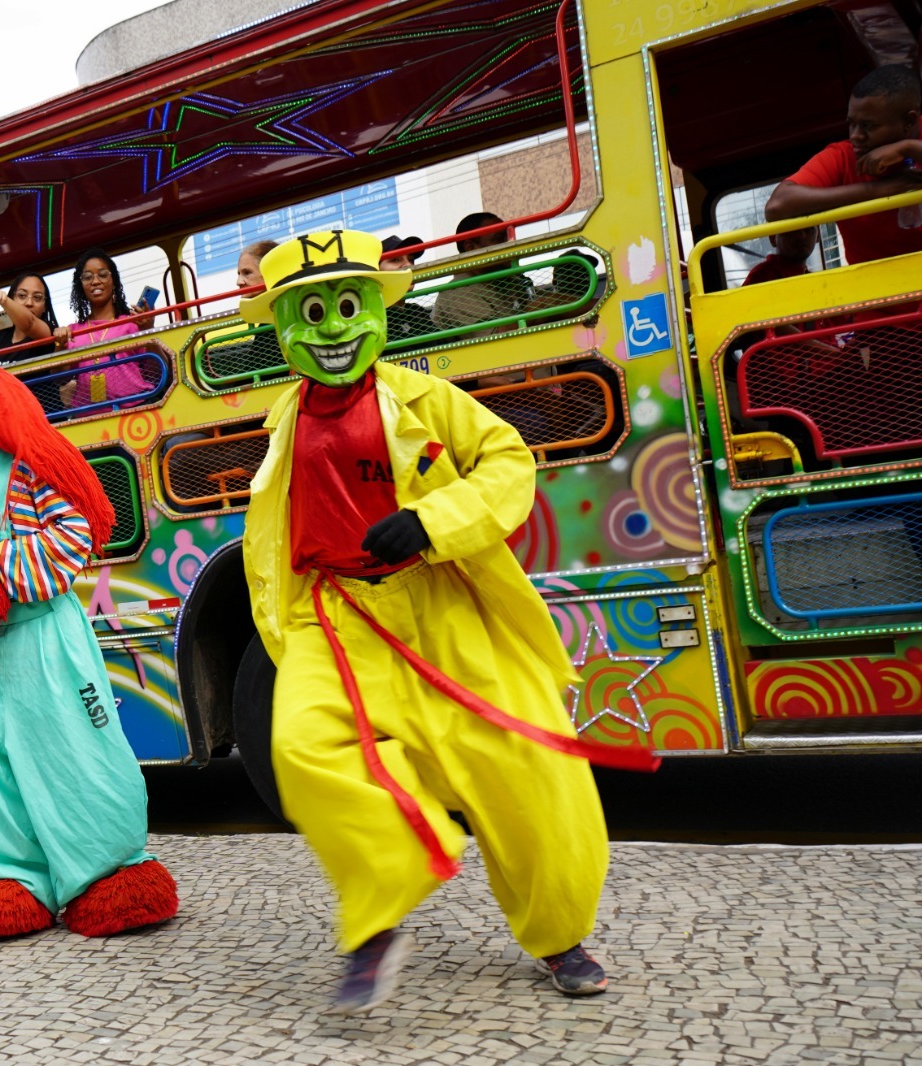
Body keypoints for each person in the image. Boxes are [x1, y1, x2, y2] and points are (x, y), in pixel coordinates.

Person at [236, 230, 657, 1013]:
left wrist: (433, 521)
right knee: (301, 748)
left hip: (441, 604)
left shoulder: (429, 402)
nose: (332, 328)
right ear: (282, 325)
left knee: (525, 767)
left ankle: (560, 934)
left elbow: (508, 464)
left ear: (377, 314)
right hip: (339, 615)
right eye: (312, 312)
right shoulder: (280, 422)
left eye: (348, 307)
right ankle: (381, 907)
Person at [0, 358, 178, 939]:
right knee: (0, 759)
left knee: (75, 746)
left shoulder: (31, 468)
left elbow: (72, 538)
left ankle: (108, 870)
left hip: (47, 640)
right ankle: (18, 876)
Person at [764, 64, 922, 265]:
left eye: (868, 126)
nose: (855, 136)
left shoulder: (913, 144)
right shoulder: (843, 155)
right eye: (852, 124)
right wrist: (879, 190)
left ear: (909, 122)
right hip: (879, 290)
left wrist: (906, 148)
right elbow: (777, 206)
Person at [54, 249, 158, 408]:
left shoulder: (133, 323)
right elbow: (59, 380)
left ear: (114, 281)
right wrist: (60, 345)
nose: (95, 281)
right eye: (88, 277)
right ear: (81, 286)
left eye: (102, 275)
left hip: (135, 412)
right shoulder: (73, 331)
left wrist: (149, 331)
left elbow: (155, 373)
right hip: (90, 418)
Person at [430, 212, 532, 337]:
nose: (509, 244)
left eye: (508, 238)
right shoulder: (458, 292)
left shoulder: (508, 280)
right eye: (499, 239)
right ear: (470, 248)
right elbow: (495, 340)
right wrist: (541, 309)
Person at [0, 273, 60, 362]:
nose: (29, 303)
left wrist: (4, 301)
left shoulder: (49, 329)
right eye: (22, 296)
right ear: (12, 298)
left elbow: (29, 323)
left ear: (44, 306)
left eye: (37, 297)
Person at [381, 235, 434, 346]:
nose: (409, 266)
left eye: (411, 260)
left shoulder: (416, 312)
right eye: (395, 260)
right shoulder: (374, 320)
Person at [743, 228, 819, 286]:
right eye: (791, 229)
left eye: (809, 229)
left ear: (818, 235)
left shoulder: (813, 278)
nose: (802, 235)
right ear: (773, 238)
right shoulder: (761, 276)